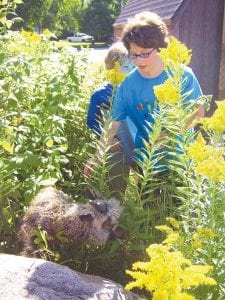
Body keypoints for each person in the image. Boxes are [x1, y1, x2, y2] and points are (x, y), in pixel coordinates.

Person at [84, 11, 204, 194]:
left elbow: (197, 113)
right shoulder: (127, 85)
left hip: (180, 163)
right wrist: (98, 155)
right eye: (133, 54)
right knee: (151, 214)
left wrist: (165, 137)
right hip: (147, 164)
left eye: (144, 54)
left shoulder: (182, 75)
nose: (138, 61)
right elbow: (113, 123)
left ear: (161, 48)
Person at [86, 42, 136, 199]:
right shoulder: (100, 95)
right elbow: (92, 122)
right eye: (126, 67)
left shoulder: (135, 91)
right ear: (110, 68)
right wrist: (110, 138)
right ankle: (115, 217)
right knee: (117, 188)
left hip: (138, 145)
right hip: (116, 148)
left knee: (144, 184)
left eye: (133, 67)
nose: (131, 72)